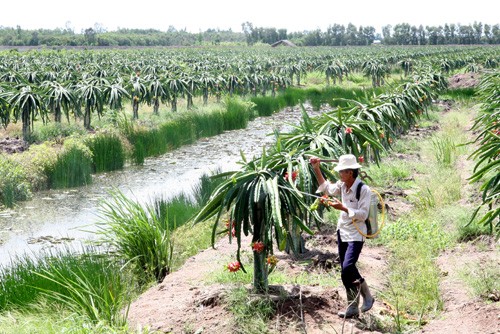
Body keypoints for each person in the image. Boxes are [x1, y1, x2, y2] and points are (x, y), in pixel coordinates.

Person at [309, 154, 374, 318]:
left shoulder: (363, 190)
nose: (339, 174)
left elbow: (363, 214)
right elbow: (326, 188)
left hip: (356, 233)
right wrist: (316, 169)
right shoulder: (342, 185)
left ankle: (368, 295)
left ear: (350, 173)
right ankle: (352, 307)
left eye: (342, 172)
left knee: (348, 267)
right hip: (342, 231)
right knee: (345, 273)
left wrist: (343, 208)